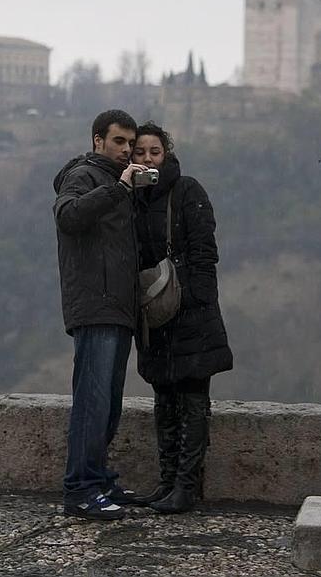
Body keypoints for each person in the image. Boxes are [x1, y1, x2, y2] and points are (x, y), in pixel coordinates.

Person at [131, 121, 233, 514]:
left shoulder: (188, 190)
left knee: (192, 399)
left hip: (190, 313)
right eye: (139, 153)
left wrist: (195, 297)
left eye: (154, 152)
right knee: (163, 399)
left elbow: (205, 251)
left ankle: (186, 487)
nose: (146, 159)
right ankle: (166, 481)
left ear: (167, 153)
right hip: (155, 314)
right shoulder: (132, 198)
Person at [53, 109, 147, 520]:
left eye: (130, 144)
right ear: (97, 141)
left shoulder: (117, 182)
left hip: (119, 306)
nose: (126, 151)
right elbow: (68, 217)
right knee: (91, 402)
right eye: (118, 142)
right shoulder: (85, 176)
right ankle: (80, 489)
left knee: (108, 403)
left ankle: (98, 479)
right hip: (95, 304)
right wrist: (117, 190)